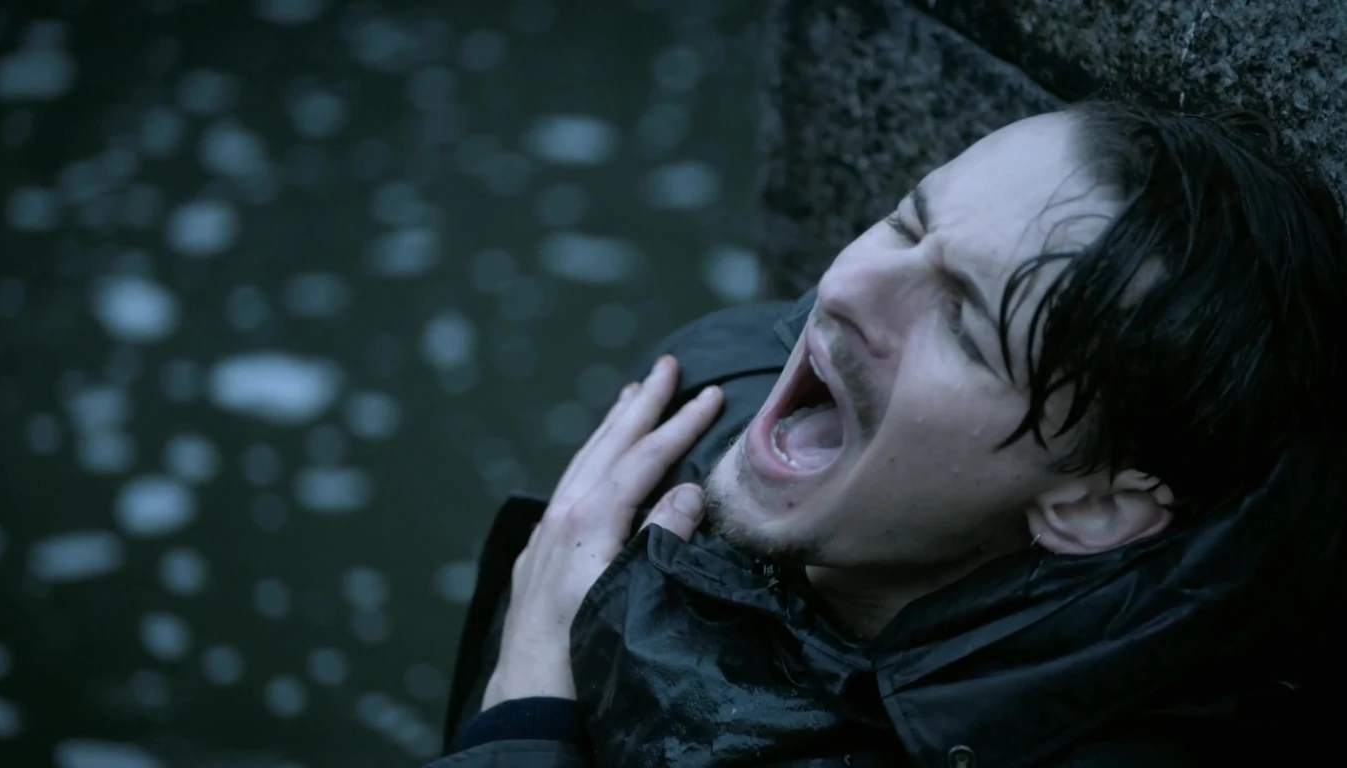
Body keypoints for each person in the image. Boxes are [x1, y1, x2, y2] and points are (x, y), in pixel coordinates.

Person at [431, 101, 1347, 767]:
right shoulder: (708, 385)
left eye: (962, 322)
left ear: (1094, 506)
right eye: (907, 225)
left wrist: (524, 708)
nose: (841, 289)